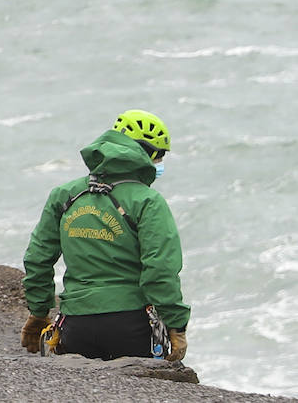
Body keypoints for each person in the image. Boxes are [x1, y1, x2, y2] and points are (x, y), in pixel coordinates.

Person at [21, 109, 189, 362]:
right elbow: (160, 270)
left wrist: (38, 313)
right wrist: (176, 326)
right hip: (132, 325)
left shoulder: (65, 195)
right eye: (160, 155)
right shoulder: (148, 201)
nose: (159, 163)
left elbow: (37, 258)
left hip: (75, 325)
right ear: (147, 153)